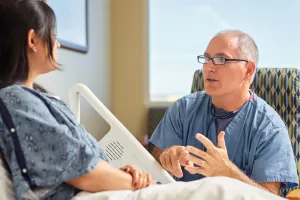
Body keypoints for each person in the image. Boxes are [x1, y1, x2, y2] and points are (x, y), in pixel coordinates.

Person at [0, 0, 152, 199]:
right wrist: (134, 183)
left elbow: (82, 164)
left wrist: (121, 174)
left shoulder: (37, 99)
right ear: (33, 40)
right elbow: (81, 171)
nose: (58, 43)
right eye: (53, 35)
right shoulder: (15, 101)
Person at [148, 29, 298, 195]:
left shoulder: (270, 129)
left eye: (221, 59)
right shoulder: (182, 109)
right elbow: (153, 170)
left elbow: (269, 198)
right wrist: (168, 158)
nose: (208, 67)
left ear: (248, 69)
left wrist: (227, 173)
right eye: (206, 59)